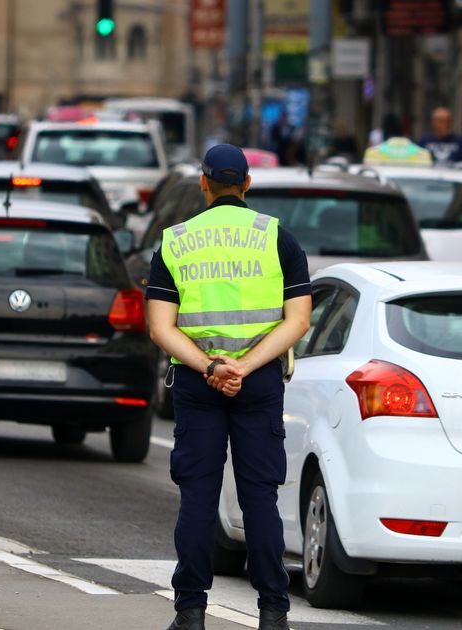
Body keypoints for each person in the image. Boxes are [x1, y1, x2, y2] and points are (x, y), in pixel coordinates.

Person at [146, 144, 312, 630]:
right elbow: (298, 319)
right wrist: (244, 367)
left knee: (198, 494)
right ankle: (273, 612)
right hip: (257, 383)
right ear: (246, 184)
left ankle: (191, 611)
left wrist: (209, 367)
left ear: (203, 183)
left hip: (199, 384)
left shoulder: (174, 241)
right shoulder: (278, 239)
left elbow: (161, 327)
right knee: (259, 496)